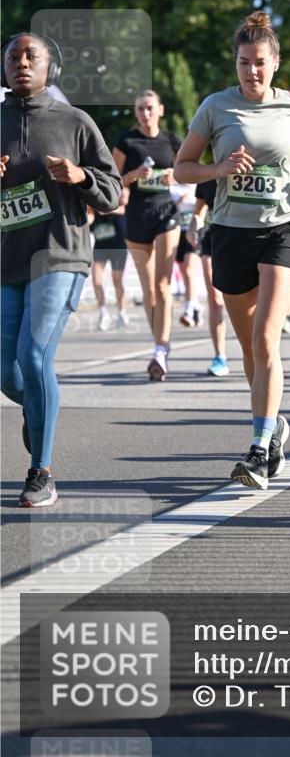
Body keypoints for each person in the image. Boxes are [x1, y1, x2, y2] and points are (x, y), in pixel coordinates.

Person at [174, 11, 290, 490]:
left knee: (266, 338)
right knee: (249, 348)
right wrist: (218, 170)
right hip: (230, 231)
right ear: (235, 64)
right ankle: (274, 424)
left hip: (284, 227)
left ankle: (260, 449)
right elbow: (181, 169)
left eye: (260, 63)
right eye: (244, 63)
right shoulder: (216, 107)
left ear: (275, 63)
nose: (252, 72)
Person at [1, 33, 122, 506]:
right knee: (9, 374)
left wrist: (81, 177)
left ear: (51, 67)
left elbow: (112, 193)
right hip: (7, 259)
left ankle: (40, 471)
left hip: (59, 253)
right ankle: (39, 409)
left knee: (34, 358)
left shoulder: (75, 121)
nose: (22, 63)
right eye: (13, 57)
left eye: (32, 56)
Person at [112, 90, 182, 381]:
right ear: (135, 111)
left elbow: (187, 171)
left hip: (166, 212)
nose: (146, 113)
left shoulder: (172, 140)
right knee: (149, 290)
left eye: (150, 108)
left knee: (164, 284)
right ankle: (160, 345)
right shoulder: (126, 141)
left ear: (161, 110)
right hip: (137, 217)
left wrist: (173, 176)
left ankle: (160, 351)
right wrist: (133, 176)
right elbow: (112, 180)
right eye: (140, 109)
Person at [186, 179, 230, 377]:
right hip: (213, 238)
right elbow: (199, 210)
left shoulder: (246, 165)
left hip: (245, 237)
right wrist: (193, 226)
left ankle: (259, 351)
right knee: (214, 299)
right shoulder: (205, 173)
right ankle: (220, 356)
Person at [90, 190, 131, 330]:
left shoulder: (117, 190)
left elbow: (126, 206)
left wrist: (108, 210)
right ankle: (103, 313)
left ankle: (122, 312)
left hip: (118, 246)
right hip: (100, 245)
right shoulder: (93, 198)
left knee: (117, 280)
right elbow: (89, 215)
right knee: (96, 280)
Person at [173, 180, 203, 327]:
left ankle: (188, 310)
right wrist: (179, 201)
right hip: (177, 233)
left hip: (193, 232)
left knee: (189, 270)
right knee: (185, 272)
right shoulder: (172, 188)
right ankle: (196, 304)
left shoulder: (197, 186)